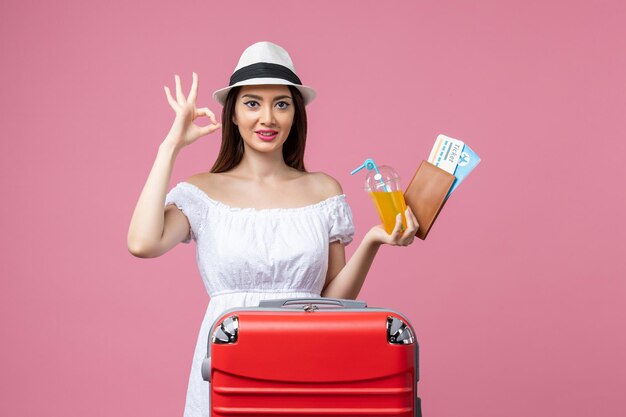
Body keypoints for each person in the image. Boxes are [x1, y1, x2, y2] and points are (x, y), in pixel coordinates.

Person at [127, 41, 419, 417]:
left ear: (295, 114)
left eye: (281, 103)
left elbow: (332, 302)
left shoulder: (323, 190)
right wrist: (169, 147)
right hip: (228, 364)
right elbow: (142, 242)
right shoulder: (201, 192)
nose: (268, 117)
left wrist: (373, 241)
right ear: (232, 114)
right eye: (252, 103)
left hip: (309, 363)